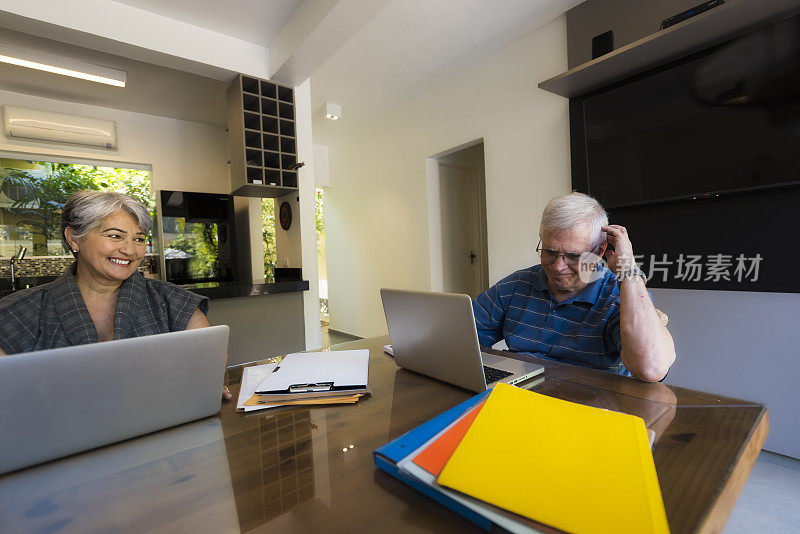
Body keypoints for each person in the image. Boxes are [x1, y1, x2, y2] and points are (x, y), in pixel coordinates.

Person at [0, 190, 232, 398]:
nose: (130, 250)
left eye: (138, 239)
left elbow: (210, 366)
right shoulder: (17, 312)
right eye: (115, 236)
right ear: (74, 238)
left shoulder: (174, 302)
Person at [473, 192, 675, 382]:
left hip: (589, 404)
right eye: (550, 252)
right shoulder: (516, 285)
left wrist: (628, 272)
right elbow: (462, 336)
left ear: (600, 251)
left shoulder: (618, 295)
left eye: (573, 256)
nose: (558, 266)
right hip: (519, 396)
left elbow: (651, 369)